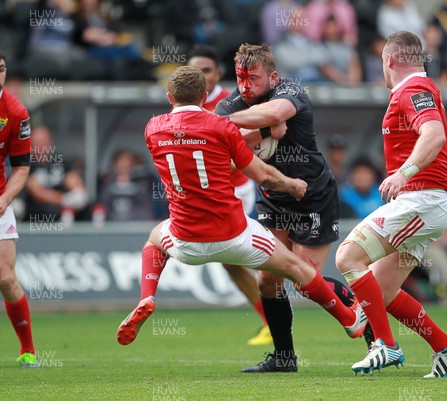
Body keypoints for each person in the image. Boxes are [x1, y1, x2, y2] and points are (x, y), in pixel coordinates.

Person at [116, 66, 366, 357]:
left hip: (185, 242)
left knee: (154, 238)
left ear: (169, 96)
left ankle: (147, 297)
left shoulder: (153, 128)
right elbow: (263, 176)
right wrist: (292, 185)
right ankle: (349, 319)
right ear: (206, 95)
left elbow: (190, 143)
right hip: (234, 236)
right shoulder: (221, 128)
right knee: (300, 270)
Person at [215, 44, 366, 372]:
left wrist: (230, 124)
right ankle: (284, 358)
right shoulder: (234, 102)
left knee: (304, 279)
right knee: (267, 281)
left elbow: (274, 116)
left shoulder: (291, 90)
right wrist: (245, 128)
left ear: (273, 76)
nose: (245, 86)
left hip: (313, 195)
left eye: (253, 79)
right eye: (241, 78)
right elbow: (222, 136)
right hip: (272, 197)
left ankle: (373, 334)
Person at [335, 31, 447, 377]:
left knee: (348, 256)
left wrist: (403, 173)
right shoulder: (417, 89)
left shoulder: (413, 90)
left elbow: (434, 135)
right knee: (383, 289)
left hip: (421, 200)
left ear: (389, 60)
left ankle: (386, 345)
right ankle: (446, 346)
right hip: (426, 202)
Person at [187, 45, 271, 345]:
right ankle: (269, 320)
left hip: (237, 190)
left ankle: (275, 318)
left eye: (206, 70)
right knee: (231, 261)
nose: (200, 76)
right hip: (205, 195)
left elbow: (262, 133)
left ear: (218, 74)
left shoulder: (232, 102)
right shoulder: (183, 105)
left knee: (253, 258)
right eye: (194, 70)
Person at [0, 50, 39, 368]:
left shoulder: (15, 111)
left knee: (5, 278)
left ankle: (28, 351)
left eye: (0, 69)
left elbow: (22, 168)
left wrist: (5, 199)